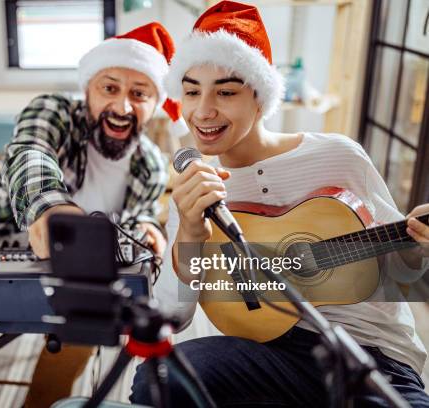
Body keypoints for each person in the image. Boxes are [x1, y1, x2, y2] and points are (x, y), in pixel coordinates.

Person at [130, 2, 429, 407]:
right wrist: (190, 231)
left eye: (226, 91)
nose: (203, 111)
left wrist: (420, 246)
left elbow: (400, 262)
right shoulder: (192, 190)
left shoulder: (338, 156)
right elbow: (172, 316)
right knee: (154, 381)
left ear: (260, 96)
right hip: (267, 351)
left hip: (369, 352)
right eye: (191, 91)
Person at [0, 22, 187, 408]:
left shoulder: (150, 165)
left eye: (139, 93)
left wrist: (146, 227)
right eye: (109, 88)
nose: (122, 106)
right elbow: (31, 151)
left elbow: (141, 211)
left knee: (88, 331)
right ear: (88, 90)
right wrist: (49, 207)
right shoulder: (54, 111)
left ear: (155, 103)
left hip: (64, 279)